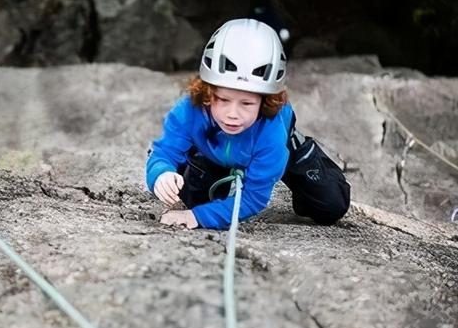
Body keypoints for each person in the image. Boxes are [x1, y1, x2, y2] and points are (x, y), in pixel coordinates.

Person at [145, 18, 349, 229]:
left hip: (273, 151)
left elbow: (253, 198)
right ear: (207, 92)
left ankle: (293, 157)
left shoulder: (271, 132)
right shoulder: (189, 111)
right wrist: (161, 174)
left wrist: (197, 218)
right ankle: (197, 163)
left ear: (265, 102)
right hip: (212, 152)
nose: (233, 114)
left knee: (331, 204)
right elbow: (163, 152)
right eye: (223, 100)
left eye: (247, 103)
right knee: (199, 202)